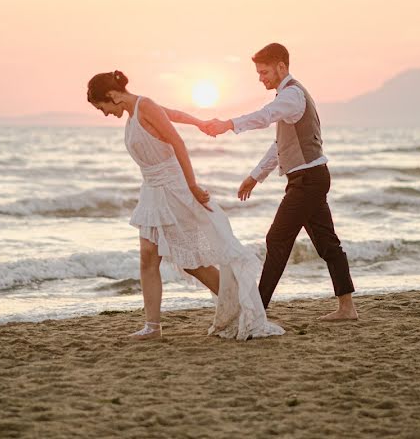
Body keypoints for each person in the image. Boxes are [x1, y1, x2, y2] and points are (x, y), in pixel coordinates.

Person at [86, 70, 284, 341]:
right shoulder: (135, 112)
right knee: (147, 257)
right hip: (152, 191)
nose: (105, 113)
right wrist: (199, 122)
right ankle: (152, 327)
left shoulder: (145, 105)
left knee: (191, 261)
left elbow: (177, 141)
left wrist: (191, 185)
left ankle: (239, 305)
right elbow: (175, 115)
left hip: (173, 189)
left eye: (102, 107)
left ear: (111, 96)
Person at [202, 43, 358, 321]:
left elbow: (264, 117)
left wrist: (228, 124)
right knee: (328, 244)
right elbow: (280, 145)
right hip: (309, 177)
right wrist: (255, 176)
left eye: (264, 72)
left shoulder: (292, 95)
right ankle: (347, 308)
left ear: (281, 67)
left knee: (277, 239)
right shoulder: (289, 97)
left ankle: (258, 310)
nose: (260, 77)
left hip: (308, 180)